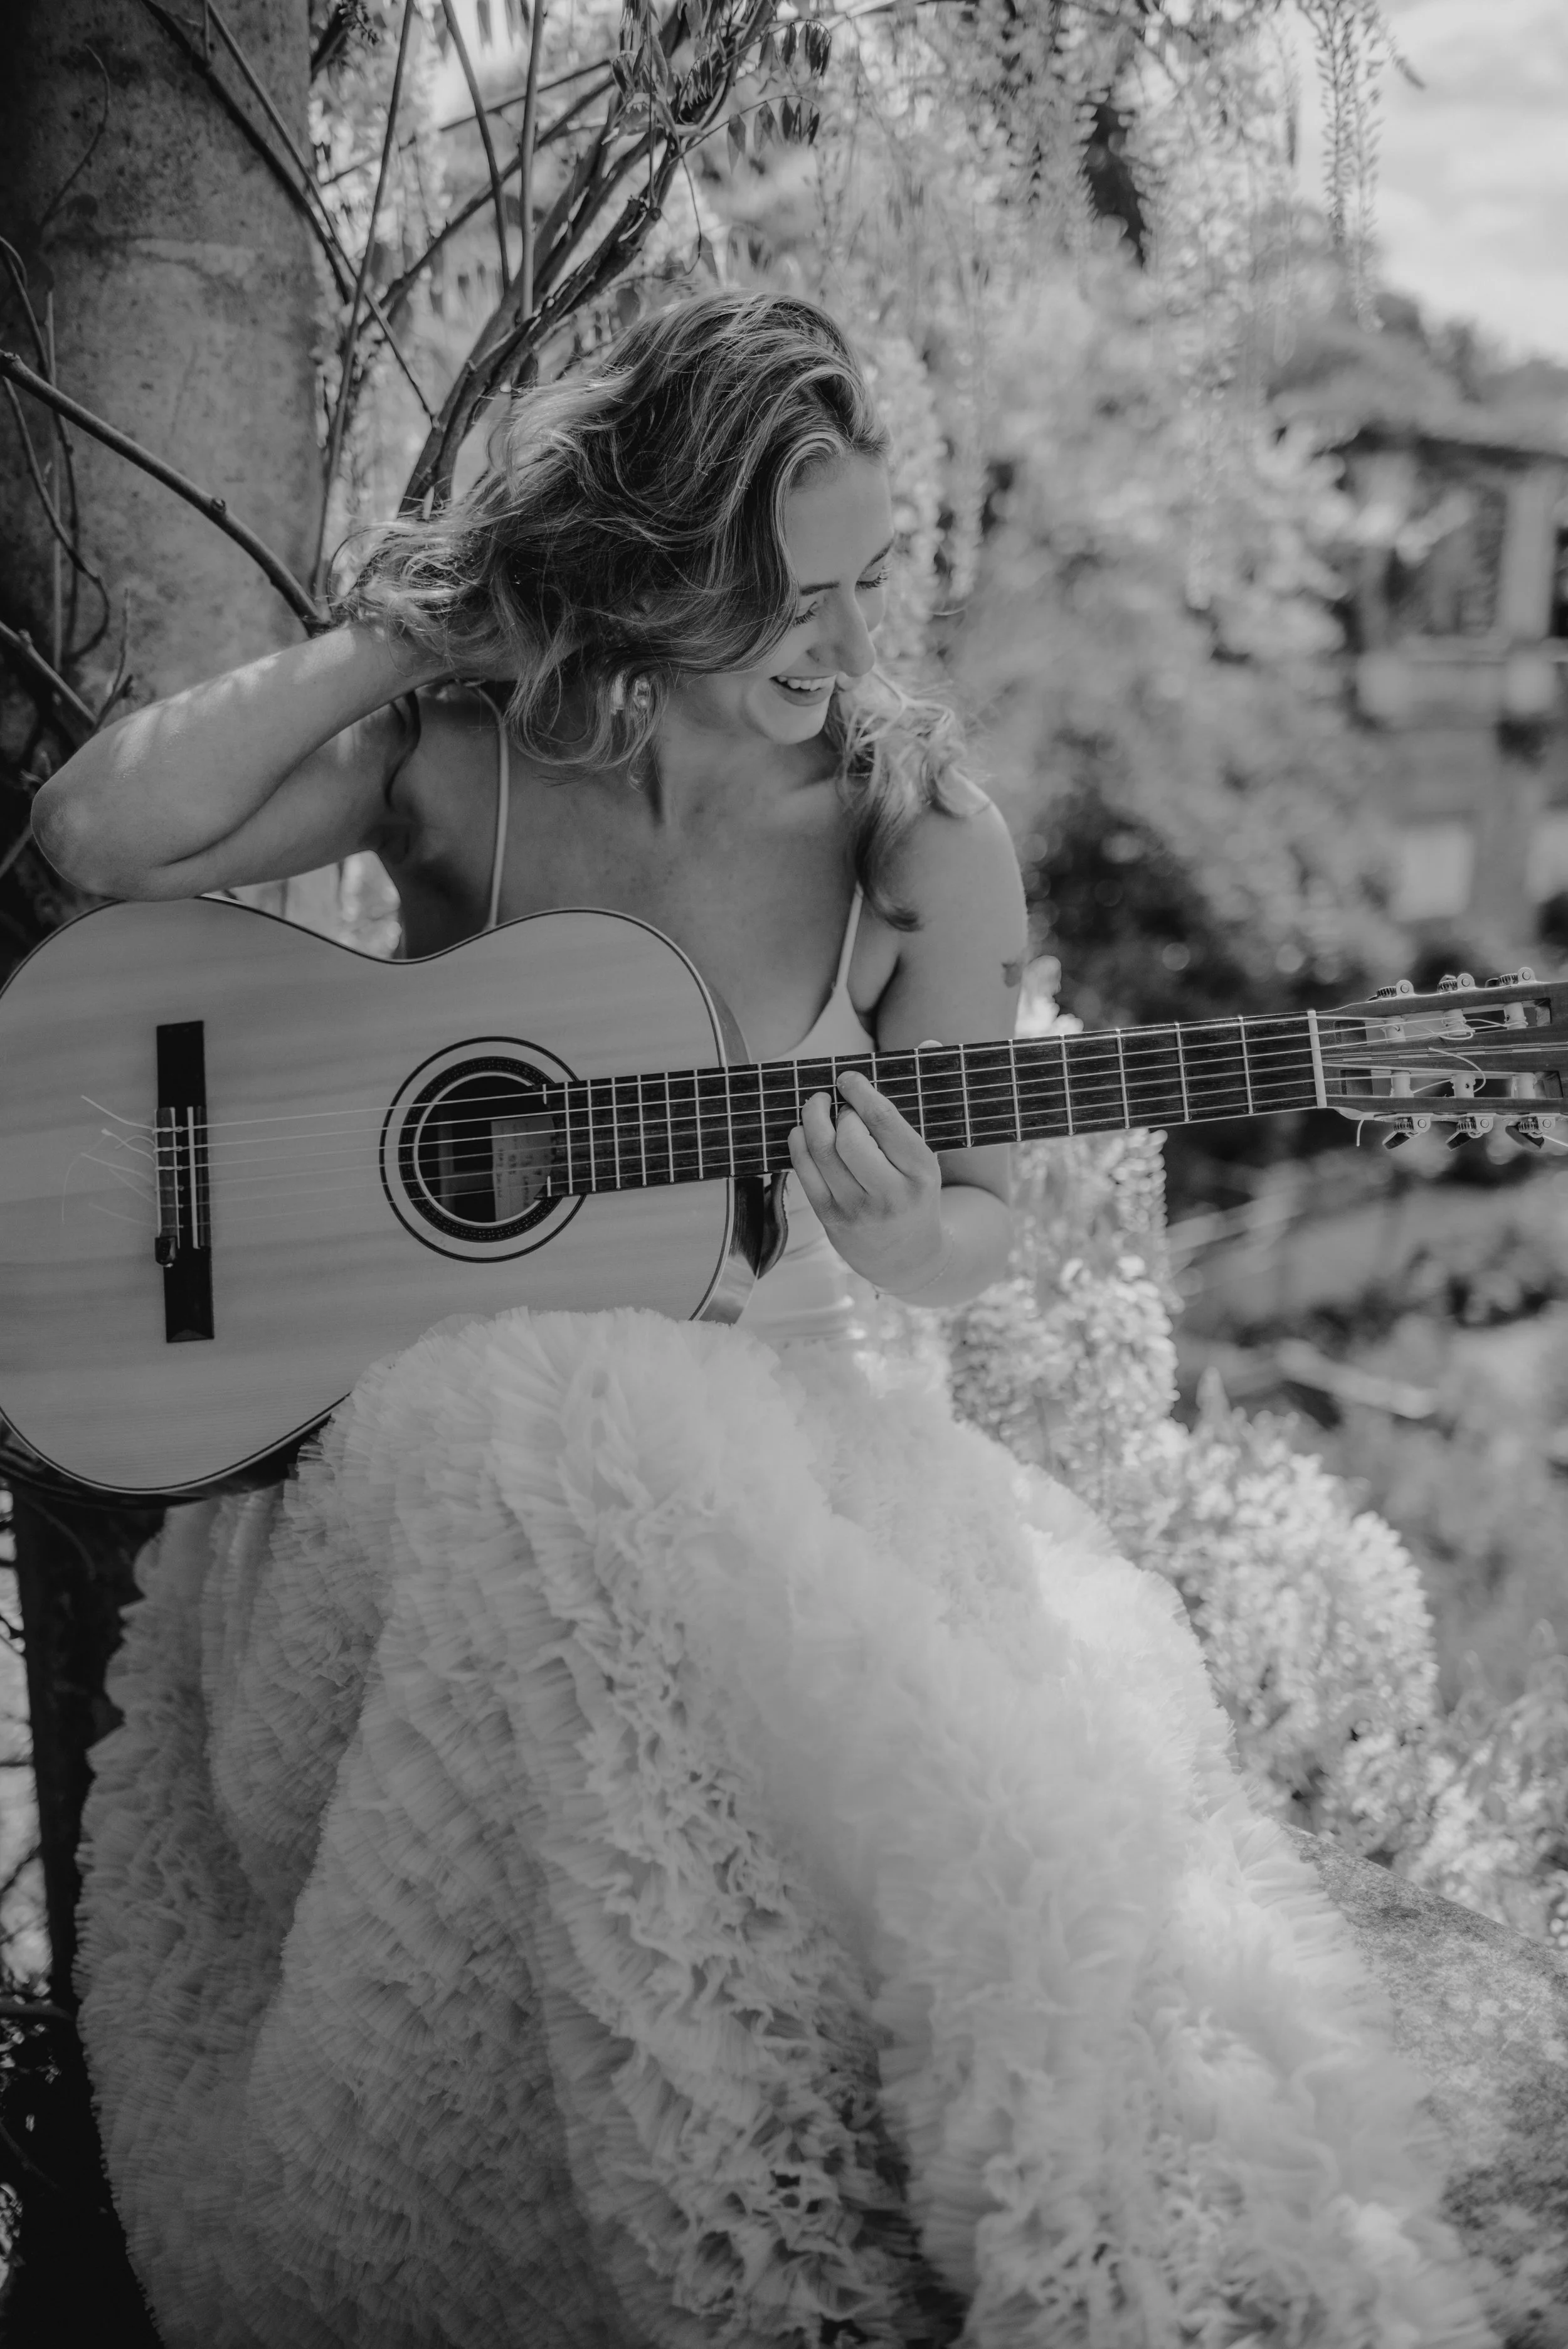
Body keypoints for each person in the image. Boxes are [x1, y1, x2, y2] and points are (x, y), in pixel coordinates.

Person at [33, 292, 1490, 2349]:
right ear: (649, 560)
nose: (841, 634)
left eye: (869, 576)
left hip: (769, 1465)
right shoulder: (473, 749)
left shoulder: (914, 827)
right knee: (529, 1443)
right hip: (397, 1472)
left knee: (615, 1480)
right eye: (782, 586)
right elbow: (100, 834)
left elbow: (971, 1227)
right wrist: (419, 629)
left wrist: (905, 1240)